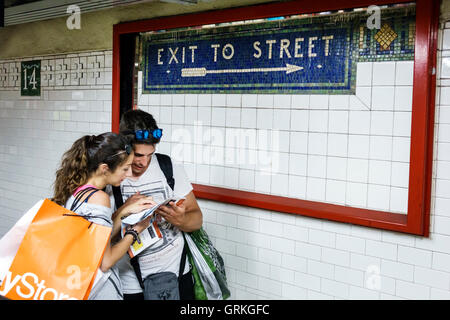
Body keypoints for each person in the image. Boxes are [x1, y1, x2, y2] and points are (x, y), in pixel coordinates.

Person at [111, 109, 203, 300]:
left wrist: (181, 219)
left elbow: (197, 219)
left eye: (150, 155)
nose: (144, 162)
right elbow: (97, 236)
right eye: (138, 155)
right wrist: (123, 211)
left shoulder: (168, 167)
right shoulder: (112, 176)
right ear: (123, 146)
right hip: (131, 284)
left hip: (177, 276)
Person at [52, 132, 156, 300]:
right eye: (124, 168)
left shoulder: (78, 190)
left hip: (79, 285)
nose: (128, 173)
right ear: (104, 168)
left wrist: (123, 211)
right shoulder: (99, 198)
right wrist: (136, 230)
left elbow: (97, 243)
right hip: (100, 291)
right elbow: (106, 262)